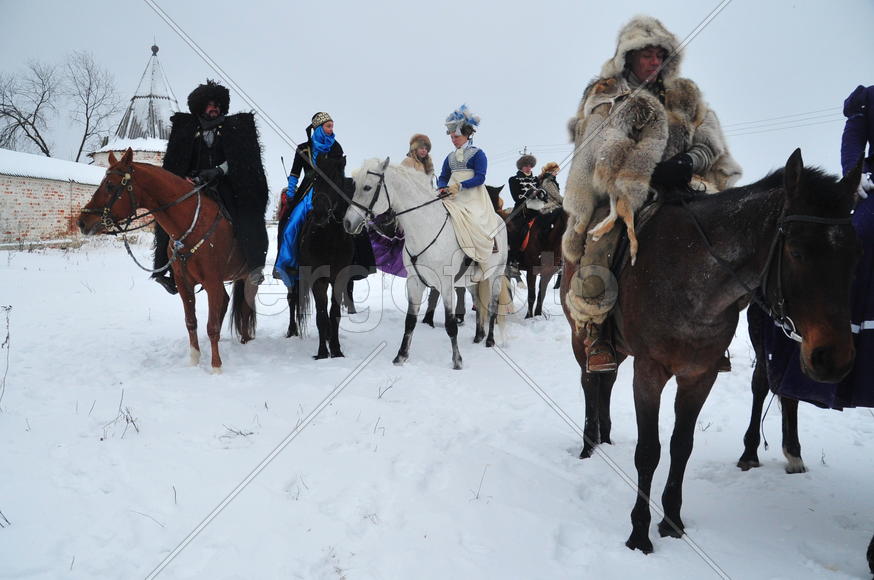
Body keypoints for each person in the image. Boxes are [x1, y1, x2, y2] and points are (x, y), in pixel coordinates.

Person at [562, 15, 741, 372]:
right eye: (647, 54)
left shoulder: (685, 95)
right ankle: (597, 333)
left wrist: (688, 161)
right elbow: (595, 150)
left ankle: (709, 339)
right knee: (600, 245)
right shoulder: (606, 92)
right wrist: (638, 173)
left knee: (724, 243)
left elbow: (710, 143)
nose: (655, 61)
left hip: (683, 190)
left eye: (661, 55)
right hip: (618, 195)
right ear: (628, 56)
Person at [759, 84, 874, 410]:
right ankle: (810, 339)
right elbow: (854, 140)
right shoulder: (869, 100)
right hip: (873, 189)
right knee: (854, 238)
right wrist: (860, 171)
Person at [152, 79, 269, 294]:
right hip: (193, 186)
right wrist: (185, 178)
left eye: (217, 104)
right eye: (209, 104)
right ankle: (163, 269)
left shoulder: (233, 128)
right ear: (200, 106)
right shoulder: (189, 130)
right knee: (165, 216)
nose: (213, 107)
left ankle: (253, 265)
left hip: (224, 184)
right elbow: (179, 161)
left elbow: (241, 159)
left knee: (245, 215)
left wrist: (219, 170)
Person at [275, 112, 351, 284]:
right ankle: (289, 264)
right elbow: (294, 174)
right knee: (291, 224)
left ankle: (351, 263)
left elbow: (340, 174)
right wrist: (291, 194)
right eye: (328, 126)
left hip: (330, 193)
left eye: (332, 126)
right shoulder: (303, 148)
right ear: (318, 128)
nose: (331, 129)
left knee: (349, 222)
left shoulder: (336, 148)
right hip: (307, 192)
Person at [436, 105, 503, 279]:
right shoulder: (449, 157)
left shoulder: (478, 154)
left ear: (466, 135)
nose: (453, 140)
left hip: (472, 196)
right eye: (451, 137)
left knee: (476, 222)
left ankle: (482, 261)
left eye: (456, 136)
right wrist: (442, 186)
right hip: (451, 196)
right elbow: (443, 176)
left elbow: (480, 177)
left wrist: (460, 186)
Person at [506, 154, 540, 276]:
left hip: (537, 210)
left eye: (530, 165)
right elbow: (517, 198)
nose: (528, 168)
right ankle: (513, 260)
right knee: (515, 231)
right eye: (526, 166)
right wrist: (529, 194)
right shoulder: (513, 180)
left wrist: (543, 195)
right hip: (522, 211)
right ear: (521, 167)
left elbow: (542, 193)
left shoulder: (536, 180)